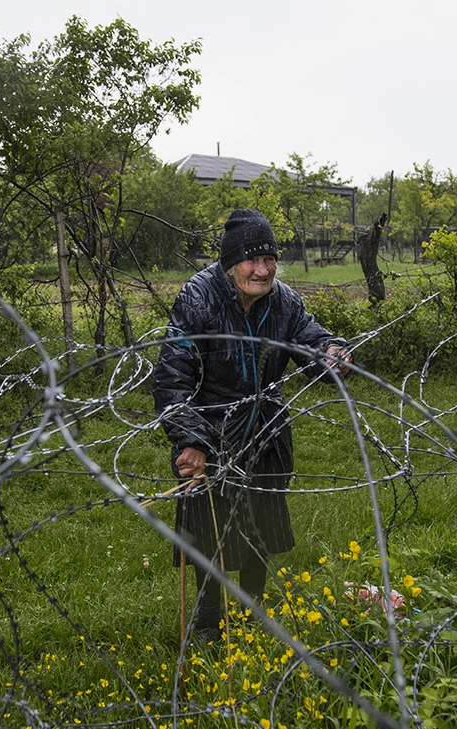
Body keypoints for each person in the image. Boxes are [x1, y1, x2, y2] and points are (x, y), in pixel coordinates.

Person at [153, 208, 351, 644]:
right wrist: (189, 439)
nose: (262, 270)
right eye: (251, 260)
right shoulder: (198, 299)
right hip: (211, 430)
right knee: (208, 531)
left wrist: (331, 352)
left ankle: (252, 606)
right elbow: (172, 376)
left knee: (262, 519)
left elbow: (310, 338)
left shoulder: (284, 301)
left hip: (265, 431)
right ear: (230, 263)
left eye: (269, 259)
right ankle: (207, 624)